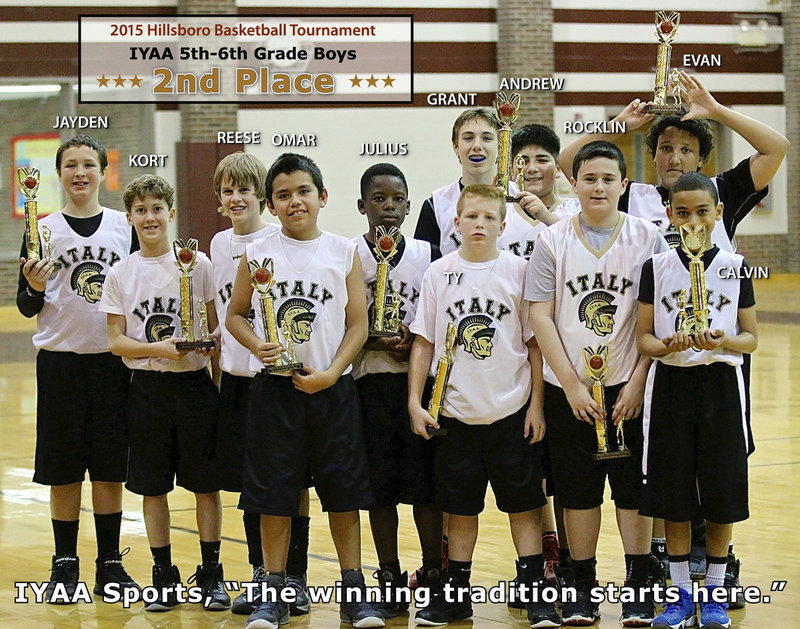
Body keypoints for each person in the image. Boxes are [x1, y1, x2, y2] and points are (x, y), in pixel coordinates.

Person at [558, 70, 788, 599]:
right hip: (658, 355)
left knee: (719, 461)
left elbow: (776, 147)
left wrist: (717, 110)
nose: (674, 158)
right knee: (667, 460)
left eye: (686, 148)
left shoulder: (718, 191)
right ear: (652, 153)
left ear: (701, 161)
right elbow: (572, 166)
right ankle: (671, 560)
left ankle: (717, 560)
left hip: (718, 353)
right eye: (665, 147)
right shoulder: (635, 195)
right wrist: (616, 126)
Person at [225, 153, 384, 629]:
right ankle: (274, 591)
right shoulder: (257, 255)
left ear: (322, 197)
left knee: (343, 494)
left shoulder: (343, 251)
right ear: (271, 206)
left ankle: (353, 591)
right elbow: (234, 314)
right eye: (283, 195)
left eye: (303, 192)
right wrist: (258, 344)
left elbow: (358, 324)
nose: (295, 201)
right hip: (275, 392)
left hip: (332, 390)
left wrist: (333, 373)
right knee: (275, 496)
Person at [527, 141, 668, 626]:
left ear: (624, 184)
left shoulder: (649, 237)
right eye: (590, 178)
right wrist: (568, 384)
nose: (599, 187)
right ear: (574, 182)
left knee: (632, 493)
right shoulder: (551, 241)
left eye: (609, 179)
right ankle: (581, 586)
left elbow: (660, 317)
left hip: (630, 385)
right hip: (574, 391)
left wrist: (638, 383)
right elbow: (539, 316)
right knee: (577, 491)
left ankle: (638, 585)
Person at [409, 184, 560, 628]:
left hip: (511, 415)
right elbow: (423, 342)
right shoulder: (438, 273)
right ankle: (456, 597)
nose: (479, 224)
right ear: (455, 223)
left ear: (503, 224)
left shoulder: (519, 270)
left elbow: (534, 347)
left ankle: (536, 595)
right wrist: (415, 404)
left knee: (524, 509)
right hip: (454, 416)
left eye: (488, 218)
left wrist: (536, 407)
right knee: (459, 513)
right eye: (470, 217)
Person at [16, 135, 138, 603]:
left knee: (109, 468)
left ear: (104, 173)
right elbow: (27, 306)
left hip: (113, 363)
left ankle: (109, 561)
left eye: (89, 164)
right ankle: (64, 563)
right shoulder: (42, 228)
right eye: (71, 165)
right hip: (61, 365)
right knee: (63, 469)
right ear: (59, 174)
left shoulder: (123, 228)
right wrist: (31, 286)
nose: (80, 172)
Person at [99, 174, 229, 613]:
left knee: (205, 487)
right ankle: (164, 575)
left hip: (195, 388)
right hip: (149, 389)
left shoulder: (199, 263)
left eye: (157, 209)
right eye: (141, 210)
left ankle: (211, 574)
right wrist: (157, 349)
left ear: (171, 214)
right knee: (153, 489)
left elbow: (215, 327)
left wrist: (213, 363)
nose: (149, 217)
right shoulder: (121, 273)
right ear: (131, 217)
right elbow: (116, 341)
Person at [636, 172, 758, 629]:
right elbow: (644, 340)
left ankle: (716, 596)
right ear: (670, 215)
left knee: (722, 492)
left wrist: (725, 339)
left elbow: (751, 339)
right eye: (682, 212)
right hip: (672, 387)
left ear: (718, 213)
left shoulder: (735, 265)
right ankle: (681, 596)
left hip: (722, 388)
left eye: (702, 212)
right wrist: (668, 343)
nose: (692, 221)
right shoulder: (656, 267)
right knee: (675, 494)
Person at [208, 152, 313, 616]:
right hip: (236, 379)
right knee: (255, 486)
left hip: (277, 380)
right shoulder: (214, 245)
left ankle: (297, 575)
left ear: (263, 198)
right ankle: (261, 573)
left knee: (294, 484)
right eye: (227, 191)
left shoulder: (278, 240)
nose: (236, 198)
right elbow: (223, 313)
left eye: (244, 190)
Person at [351, 163, 443, 618]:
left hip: (420, 386)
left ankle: (431, 571)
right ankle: (387, 573)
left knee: (426, 488)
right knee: (380, 489)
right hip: (368, 385)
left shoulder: (428, 254)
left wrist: (415, 337)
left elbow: (441, 315)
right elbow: (342, 326)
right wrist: (374, 336)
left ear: (408, 204)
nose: (388, 207)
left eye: (397, 199)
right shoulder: (349, 255)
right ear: (362, 205)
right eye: (378, 199)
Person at [499, 123, 579, 260]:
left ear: (558, 169)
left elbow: (588, 258)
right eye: (523, 161)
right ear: (512, 170)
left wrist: (548, 218)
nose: (532, 168)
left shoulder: (577, 211)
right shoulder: (498, 214)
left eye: (541, 160)